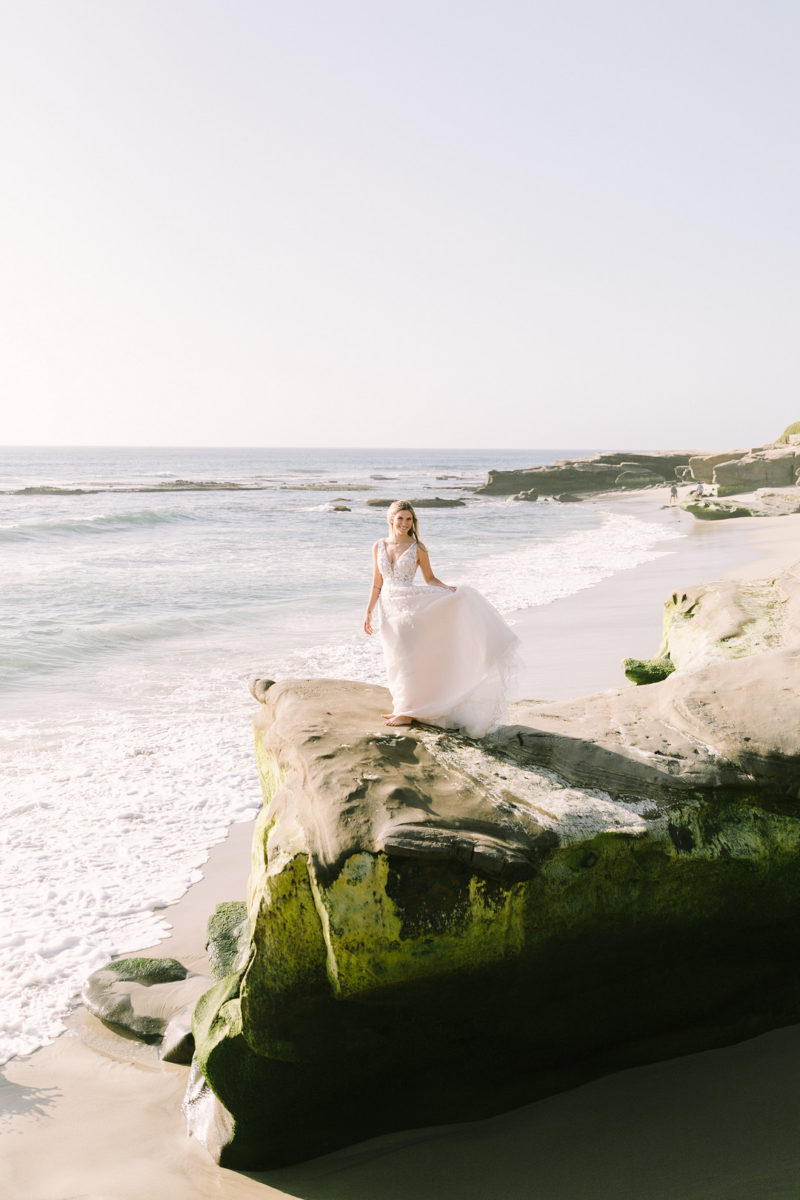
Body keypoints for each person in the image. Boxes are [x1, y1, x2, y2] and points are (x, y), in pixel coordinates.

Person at [364, 500, 520, 737]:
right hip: (388, 607)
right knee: (394, 657)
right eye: (401, 518)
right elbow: (377, 582)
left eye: (409, 519)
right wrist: (368, 611)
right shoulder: (378, 545)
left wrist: (448, 590)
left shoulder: (418, 548)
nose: (405, 523)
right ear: (391, 519)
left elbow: (429, 579)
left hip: (411, 606)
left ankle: (408, 712)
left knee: (408, 656)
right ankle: (402, 706)